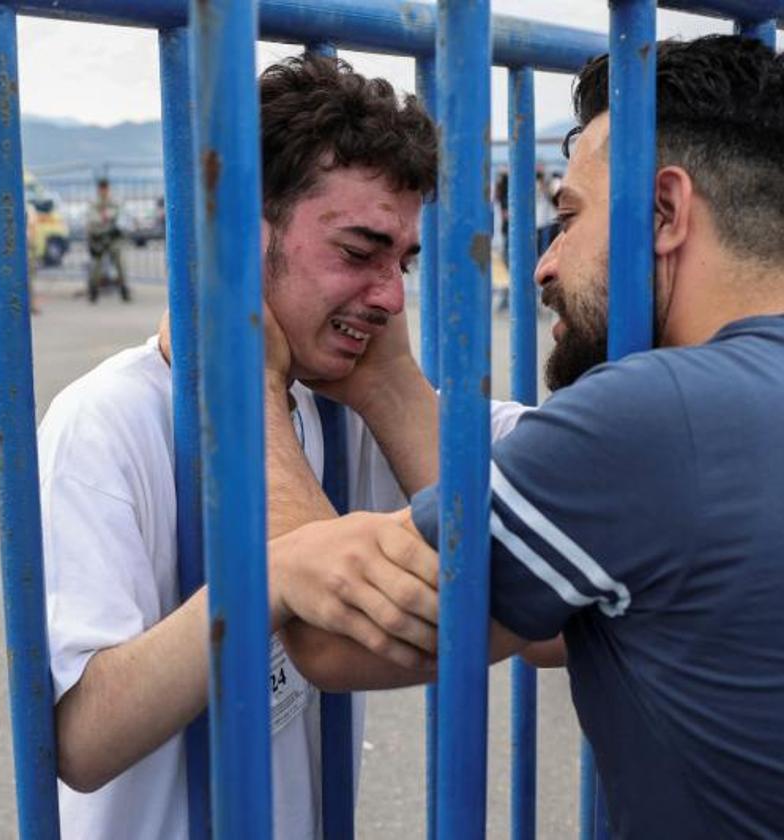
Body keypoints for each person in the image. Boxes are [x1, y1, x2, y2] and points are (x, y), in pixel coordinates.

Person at [274, 35, 784, 838]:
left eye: (570, 218)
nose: (545, 266)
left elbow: (330, 634)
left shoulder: (659, 417)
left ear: (665, 213)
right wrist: (391, 385)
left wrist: (241, 381)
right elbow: (556, 617)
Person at [39, 54, 526, 839]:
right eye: (359, 251)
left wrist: (394, 388)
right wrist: (264, 582)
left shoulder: (345, 405)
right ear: (238, 237)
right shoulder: (109, 418)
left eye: (403, 262)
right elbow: (80, 739)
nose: (393, 295)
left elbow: (535, 569)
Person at [84, 177, 130, 302]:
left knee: (119, 265)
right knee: (96, 267)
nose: (103, 191)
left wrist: (107, 216)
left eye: (105, 188)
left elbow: (120, 215)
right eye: (101, 189)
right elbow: (92, 219)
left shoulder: (114, 201)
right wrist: (106, 217)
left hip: (112, 238)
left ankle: (124, 290)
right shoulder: (94, 202)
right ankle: (93, 291)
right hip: (98, 239)